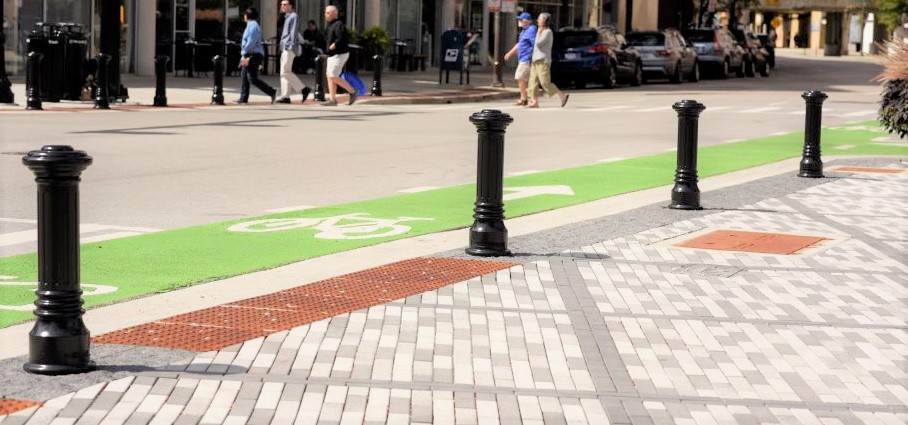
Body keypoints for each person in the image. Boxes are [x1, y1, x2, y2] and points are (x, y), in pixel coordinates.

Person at [235, 7, 276, 104]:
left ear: (247, 16)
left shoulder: (253, 26)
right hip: (249, 54)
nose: (243, 17)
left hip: (253, 54)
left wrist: (244, 53)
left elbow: (251, 42)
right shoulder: (251, 25)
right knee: (244, 76)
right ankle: (243, 98)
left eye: (244, 15)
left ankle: (272, 91)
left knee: (251, 78)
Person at [527, 13, 568, 109]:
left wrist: (538, 33)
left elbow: (539, 44)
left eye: (539, 19)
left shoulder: (548, 32)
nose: (537, 20)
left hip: (543, 61)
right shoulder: (539, 31)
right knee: (532, 82)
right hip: (535, 60)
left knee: (545, 83)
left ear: (545, 21)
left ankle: (562, 96)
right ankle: (534, 102)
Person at [275, 1, 311, 104]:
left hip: (288, 48)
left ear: (291, 6)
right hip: (285, 47)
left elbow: (293, 33)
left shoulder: (294, 16)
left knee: (285, 72)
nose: (282, 6)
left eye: (284, 4)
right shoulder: (287, 17)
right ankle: (285, 96)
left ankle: (303, 89)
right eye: (281, 4)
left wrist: (289, 47)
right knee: (284, 72)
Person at [322, 5, 357, 106]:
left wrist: (335, 44)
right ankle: (332, 100)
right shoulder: (331, 25)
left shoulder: (339, 24)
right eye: (326, 13)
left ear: (334, 14)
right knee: (329, 76)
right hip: (332, 55)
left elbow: (341, 38)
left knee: (333, 75)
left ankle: (352, 91)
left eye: (328, 13)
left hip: (340, 54)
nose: (326, 15)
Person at [503, 12, 536, 106]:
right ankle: (527, 99)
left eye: (521, 20)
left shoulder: (531, 30)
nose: (519, 21)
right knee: (525, 79)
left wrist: (533, 56)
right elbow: (519, 44)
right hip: (523, 58)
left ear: (527, 21)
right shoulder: (523, 31)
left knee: (520, 77)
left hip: (527, 58)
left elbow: (535, 43)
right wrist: (510, 53)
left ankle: (524, 98)